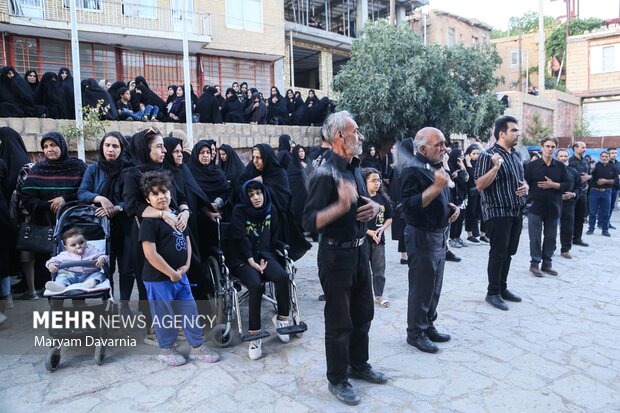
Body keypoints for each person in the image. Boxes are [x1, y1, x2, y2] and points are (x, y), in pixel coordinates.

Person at [303, 111, 387, 406]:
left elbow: (363, 203)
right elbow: (309, 221)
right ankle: (337, 378)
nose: (360, 136)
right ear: (340, 136)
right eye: (356, 131)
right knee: (339, 322)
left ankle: (359, 364)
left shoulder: (354, 168)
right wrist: (340, 206)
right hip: (335, 255)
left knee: (364, 312)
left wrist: (372, 207)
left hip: (360, 249)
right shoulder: (324, 172)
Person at [138, 170, 220, 366]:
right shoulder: (149, 222)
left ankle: (197, 346)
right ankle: (167, 349)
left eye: (164, 191)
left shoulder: (177, 216)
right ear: (148, 199)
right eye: (155, 194)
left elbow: (188, 240)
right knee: (163, 315)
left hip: (180, 275)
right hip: (158, 279)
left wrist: (186, 266)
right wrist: (171, 273)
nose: (161, 196)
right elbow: (150, 254)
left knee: (190, 310)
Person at [122, 128, 191, 346]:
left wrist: (185, 211)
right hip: (147, 233)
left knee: (172, 280)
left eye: (163, 146)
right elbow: (132, 206)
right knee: (150, 282)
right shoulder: (131, 174)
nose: (164, 150)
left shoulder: (166, 171)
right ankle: (153, 328)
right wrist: (162, 213)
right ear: (145, 148)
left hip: (171, 235)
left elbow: (179, 197)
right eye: (159, 146)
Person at [400, 127, 458, 354]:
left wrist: (449, 208)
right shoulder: (411, 170)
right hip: (421, 236)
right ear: (422, 148)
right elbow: (410, 205)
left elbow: (437, 197)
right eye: (439, 145)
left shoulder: (432, 167)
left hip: (438, 234)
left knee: (435, 285)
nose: (444, 148)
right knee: (421, 286)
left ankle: (428, 324)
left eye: (444, 143)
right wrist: (436, 188)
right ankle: (415, 332)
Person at [229, 179, 292, 359]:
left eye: (258, 193)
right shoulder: (239, 212)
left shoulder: (270, 210)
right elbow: (240, 239)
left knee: (282, 276)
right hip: (241, 258)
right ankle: (255, 335)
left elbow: (275, 236)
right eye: (251, 195)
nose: (256, 198)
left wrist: (273, 255)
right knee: (256, 285)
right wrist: (251, 261)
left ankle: (282, 320)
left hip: (263, 255)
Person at [20, 132, 87, 290]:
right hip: (46, 225)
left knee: (77, 261)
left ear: (62, 146)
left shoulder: (77, 166)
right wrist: (48, 205)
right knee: (51, 269)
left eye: (54, 145)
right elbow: (27, 197)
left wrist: (65, 200)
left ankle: (79, 296)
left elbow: (87, 190)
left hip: (74, 223)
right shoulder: (38, 168)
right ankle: (54, 300)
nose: (50, 149)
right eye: (46, 146)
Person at [475, 116, 528, 311]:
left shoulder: (515, 155)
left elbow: (522, 180)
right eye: (514, 130)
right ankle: (492, 292)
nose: (518, 134)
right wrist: (495, 167)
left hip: (516, 210)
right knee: (498, 253)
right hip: (497, 211)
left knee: (509, 252)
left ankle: (502, 288)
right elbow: (480, 184)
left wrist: (526, 187)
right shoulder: (487, 156)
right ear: (502, 134)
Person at [78, 132, 134, 310]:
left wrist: (117, 208)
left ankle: (124, 304)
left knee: (126, 268)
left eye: (115, 146)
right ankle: (107, 302)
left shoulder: (129, 169)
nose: (110, 149)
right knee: (105, 267)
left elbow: (133, 198)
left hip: (125, 225)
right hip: (100, 227)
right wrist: (100, 198)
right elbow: (82, 193)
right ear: (102, 147)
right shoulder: (94, 169)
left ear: (122, 149)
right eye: (107, 145)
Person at [524, 137, 569, 277]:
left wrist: (553, 185)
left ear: (556, 148)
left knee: (551, 237)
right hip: (535, 207)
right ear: (542, 147)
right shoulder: (531, 166)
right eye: (547, 146)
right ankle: (534, 264)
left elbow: (567, 185)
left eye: (553, 146)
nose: (550, 149)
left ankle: (547, 264)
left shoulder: (561, 167)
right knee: (535, 237)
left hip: (554, 207)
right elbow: (525, 183)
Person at [44, 227, 108, 293]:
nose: (78, 246)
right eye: (73, 245)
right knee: (62, 276)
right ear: (66, 247)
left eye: (81, 242)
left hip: (90, 274)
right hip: (71, 274)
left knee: (100, 275)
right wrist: (50, 264)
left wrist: (101, 258)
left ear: (85, 241)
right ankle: (60, 285)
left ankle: (88, 284)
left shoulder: (92, 251)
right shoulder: (64, 255)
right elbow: (52, 260)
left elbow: (103, 256)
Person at [363, 167, 392, 308]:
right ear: (365, 182)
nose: (377, 183)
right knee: (363, 270)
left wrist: (382, 229)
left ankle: (379, 294)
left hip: (379, 240)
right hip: (363, 240)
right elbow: (355, 220)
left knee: (379, 269)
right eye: (373, 180)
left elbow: (390, 218)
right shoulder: (361, 199)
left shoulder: (383, 199)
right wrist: (369, 232)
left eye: (379, 180)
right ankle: (363, 295)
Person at [556, 148, 583, 259]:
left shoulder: (573, 171)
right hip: (554, 203)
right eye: (561, 156)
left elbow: (580, 187)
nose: (564, 158)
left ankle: (565, 249)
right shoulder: (551, 170)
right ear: (557, 157)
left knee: (567, 227)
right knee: (551, 228)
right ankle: (549, 248)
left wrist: (573, 194)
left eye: (565, 156)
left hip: (569, 204)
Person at [391, 138, 414, 264]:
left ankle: (404, 255)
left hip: (400, 201)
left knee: (403, 229)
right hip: (404, 202)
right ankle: (405, 256)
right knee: (406, 229)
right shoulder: (408, 164)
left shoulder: (400, 164)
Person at [587, 151, 617, 237]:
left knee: (606, 212)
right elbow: (589, 176)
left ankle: (605, 230)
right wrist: (592, 169)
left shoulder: (613, 167)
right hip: (594, 191)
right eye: (602, 156)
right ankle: (591, 229)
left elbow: (615, 180)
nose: (604, 158)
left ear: (609, 157)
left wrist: (606, 181)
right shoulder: (595, 166)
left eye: (606, 156)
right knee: (592, 212)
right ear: (600, 157)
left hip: (607, 192)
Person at [464, 144, 488, 243]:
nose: (476, 156)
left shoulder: (480, 164)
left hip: (481, 191)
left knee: (483, 213)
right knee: (471, 212)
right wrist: (468, 163)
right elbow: (473, 177)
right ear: (468, 155)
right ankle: (470, 234)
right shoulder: (465, 164)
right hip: (470, 192)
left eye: (478, 154)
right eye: (474, 154)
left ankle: (483, 234)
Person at [568, 141, 591, 247]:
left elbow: (589, 175)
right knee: (569, 217)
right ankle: (567, 239)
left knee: (580, 217)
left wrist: (588, 177)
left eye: (585, 147)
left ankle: (577, 238)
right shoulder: (569, 161)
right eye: (582, 147)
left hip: (583, 193)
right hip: (572, 193)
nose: (584, 149)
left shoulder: (586, 161)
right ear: (575, 148)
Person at [287, 145, 314, 230]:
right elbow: (292, 180)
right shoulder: (293, 165)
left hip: (309, 192)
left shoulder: (308, 161)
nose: (301, 153)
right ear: (296, 153)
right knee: (299, 211)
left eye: (302, 151)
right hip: (299, 194)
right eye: (299, 152)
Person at [447, 148, 469, 248]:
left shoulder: (460, 167)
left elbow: (467, 179)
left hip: (462, 195)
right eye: (460, 155)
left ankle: (457, 236)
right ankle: (452, 238)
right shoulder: (450, 167)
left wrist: (463, 168)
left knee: (461, 217)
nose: (462, 157)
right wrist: (459, 174)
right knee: (455, 217)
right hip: (454, 196)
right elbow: (462, 180)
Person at [607, 148, 619, 228]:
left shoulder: (619, 164)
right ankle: (601, 222)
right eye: (612, 153)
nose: (614, 154)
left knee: (611, 207)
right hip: (606, 189)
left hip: (615, 188)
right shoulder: (605, 164)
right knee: (605, 207)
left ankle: (607, 222)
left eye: (615, 153)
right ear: (608, 154)